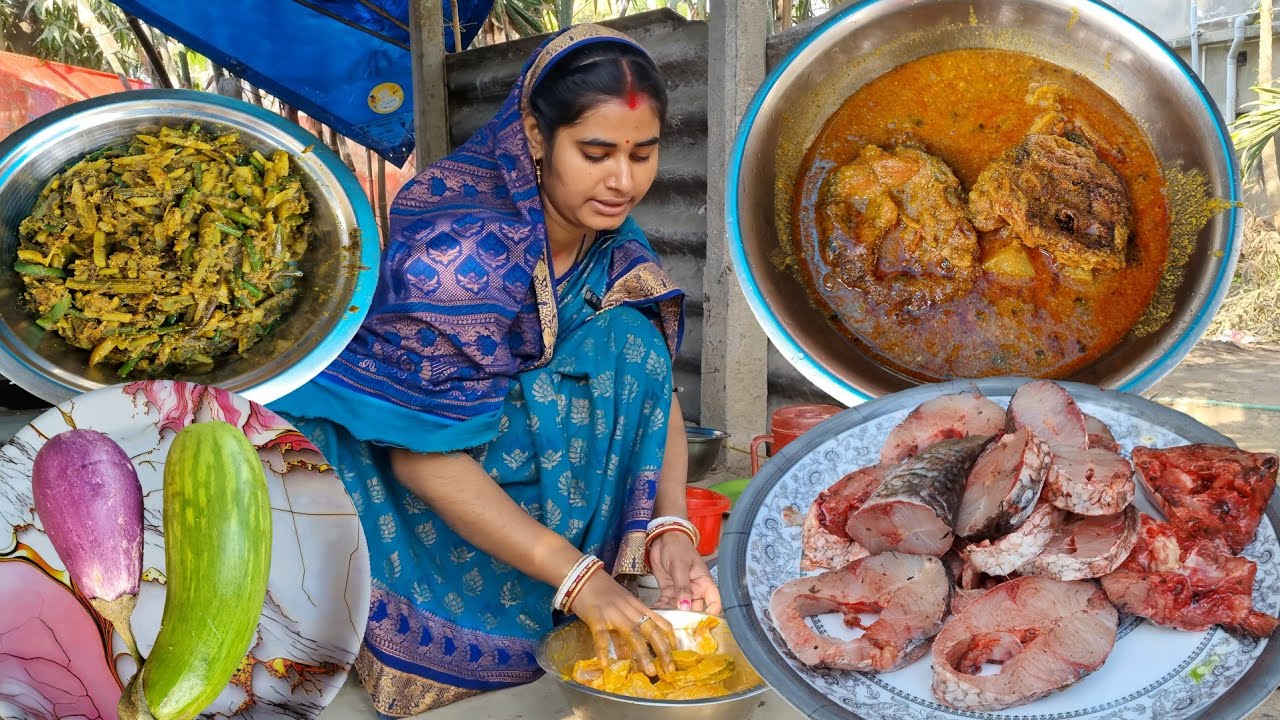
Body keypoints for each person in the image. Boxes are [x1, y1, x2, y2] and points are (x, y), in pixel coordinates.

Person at [270, 24, 719, 717]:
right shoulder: (459, 250)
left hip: (514, 456)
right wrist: (579, 578)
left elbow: (654, 386)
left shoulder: (608, 237)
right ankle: (499, 600)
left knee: (631, 333)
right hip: (410, 474)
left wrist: (671, 528)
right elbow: (422, 457)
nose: (624, 181)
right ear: (536, 136)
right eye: (596, 153)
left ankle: (568, 576)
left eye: (643, 153)